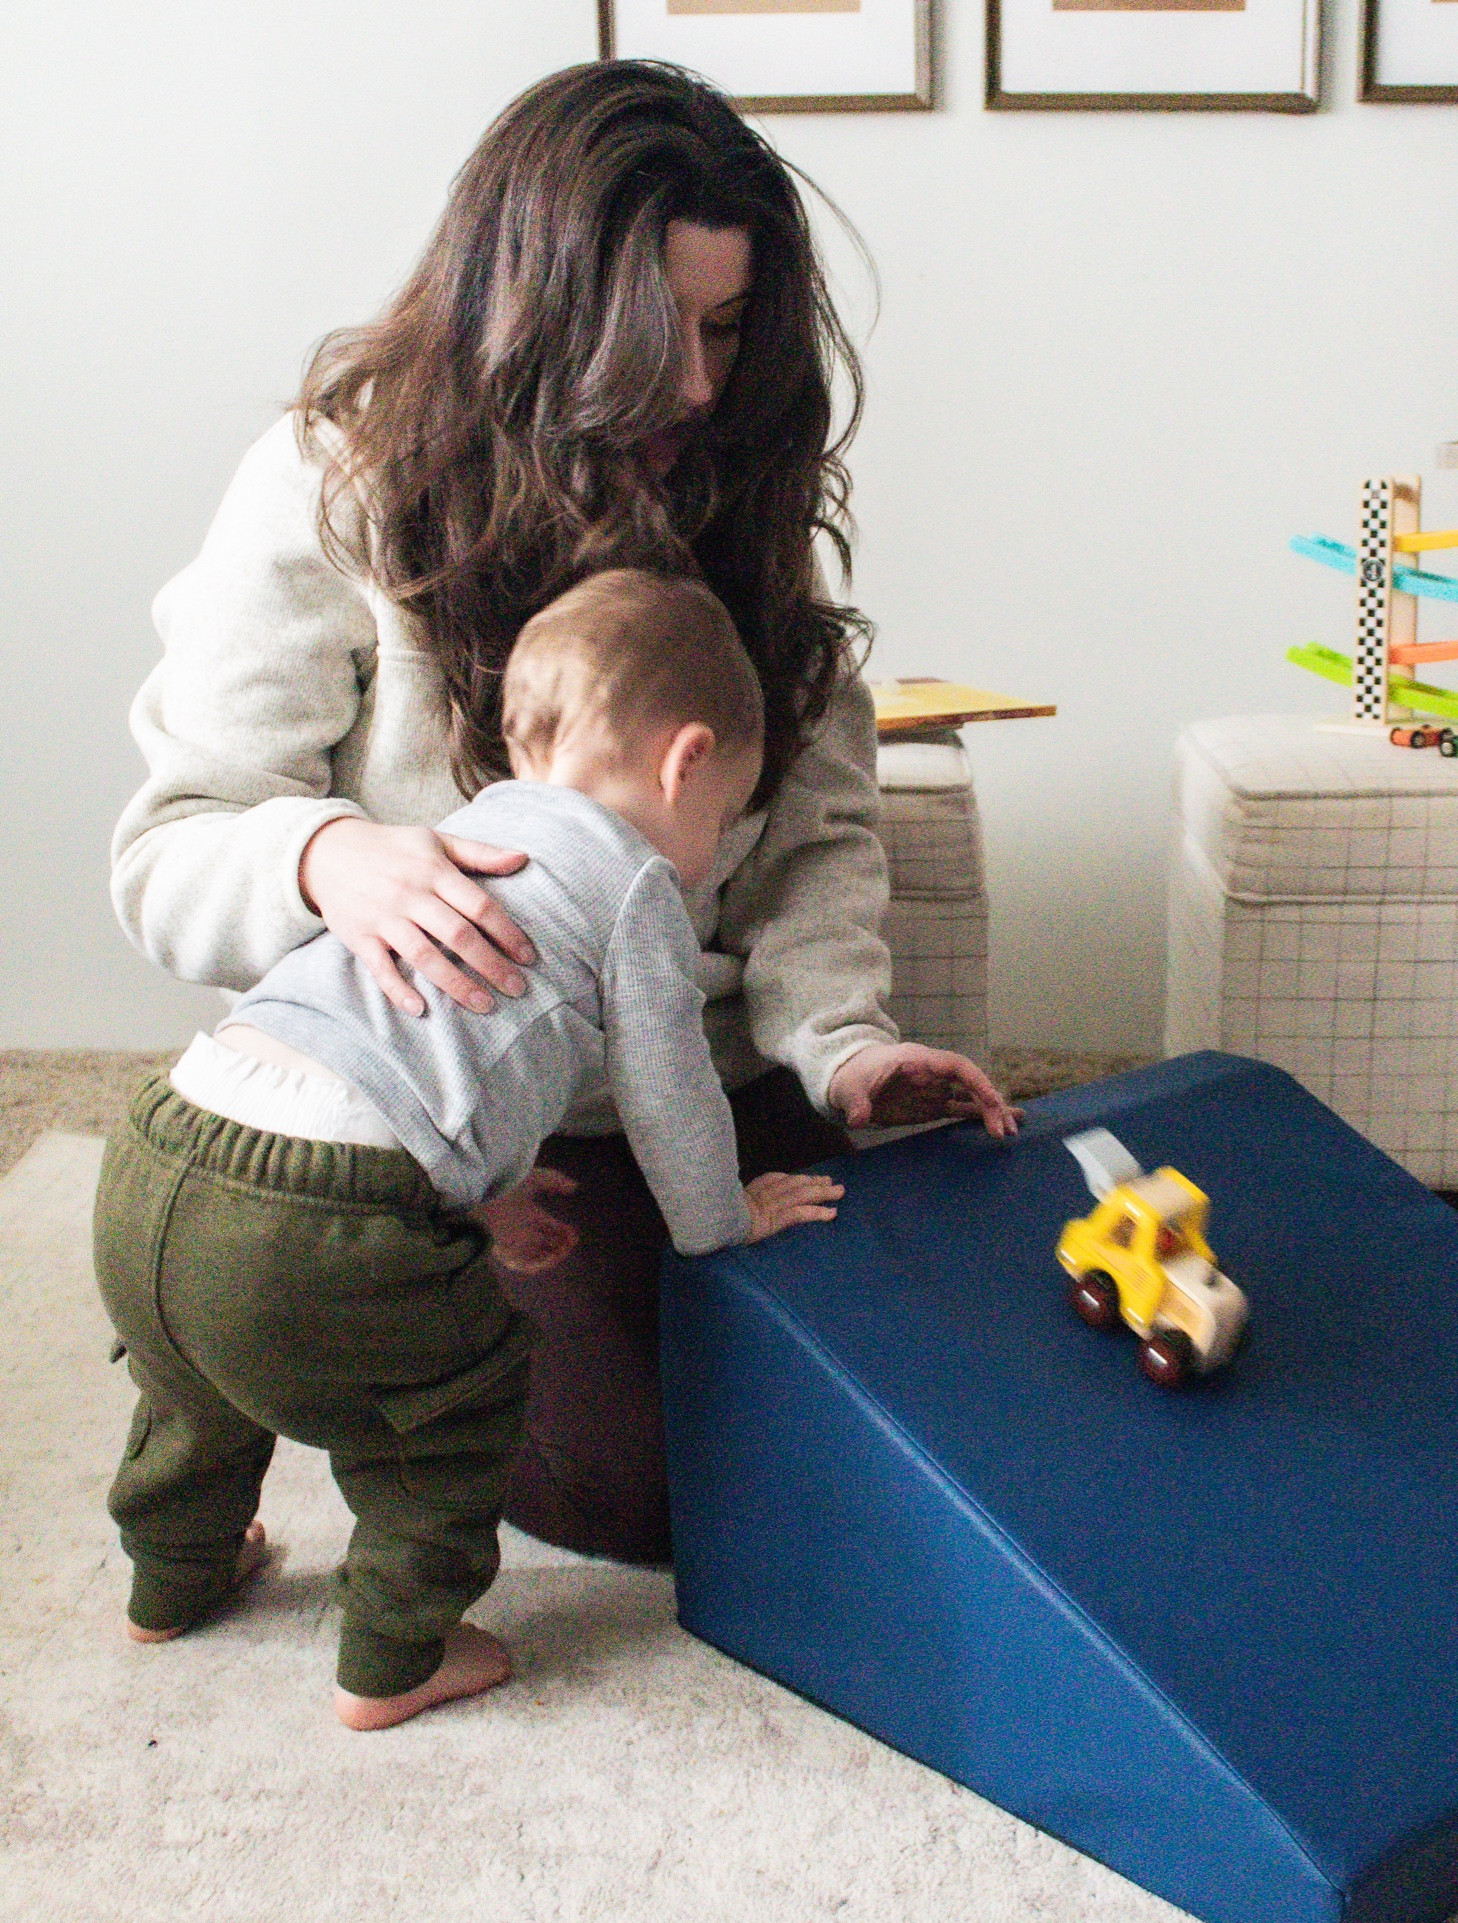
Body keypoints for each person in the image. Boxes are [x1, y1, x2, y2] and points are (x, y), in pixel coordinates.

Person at [110, 60, 1013, 1566]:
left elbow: (816, 845)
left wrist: (846, 1043)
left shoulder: (734, 489)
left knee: (950, 1392)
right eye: (657, 338)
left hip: (715, 1083)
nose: (702, 389)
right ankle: (311, 1359)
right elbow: (170, 849)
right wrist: (334, 861)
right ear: (528, 311)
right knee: (650, 1494)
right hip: (486, 1125)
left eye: (728, 332)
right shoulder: (331, 483)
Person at [95, 571, 865, 1730]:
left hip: (169, 1138)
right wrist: (722, 1218)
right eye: (726, 815)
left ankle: (174, 1576)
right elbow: (667, 1094)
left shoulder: (453, 834)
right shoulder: (636, 890)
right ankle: (399, 1650)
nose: (709, 853)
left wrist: (489, 1195)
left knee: (193, 1378)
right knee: (455, 1399)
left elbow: (430, 1046)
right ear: (684, 762)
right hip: (318, 1204)